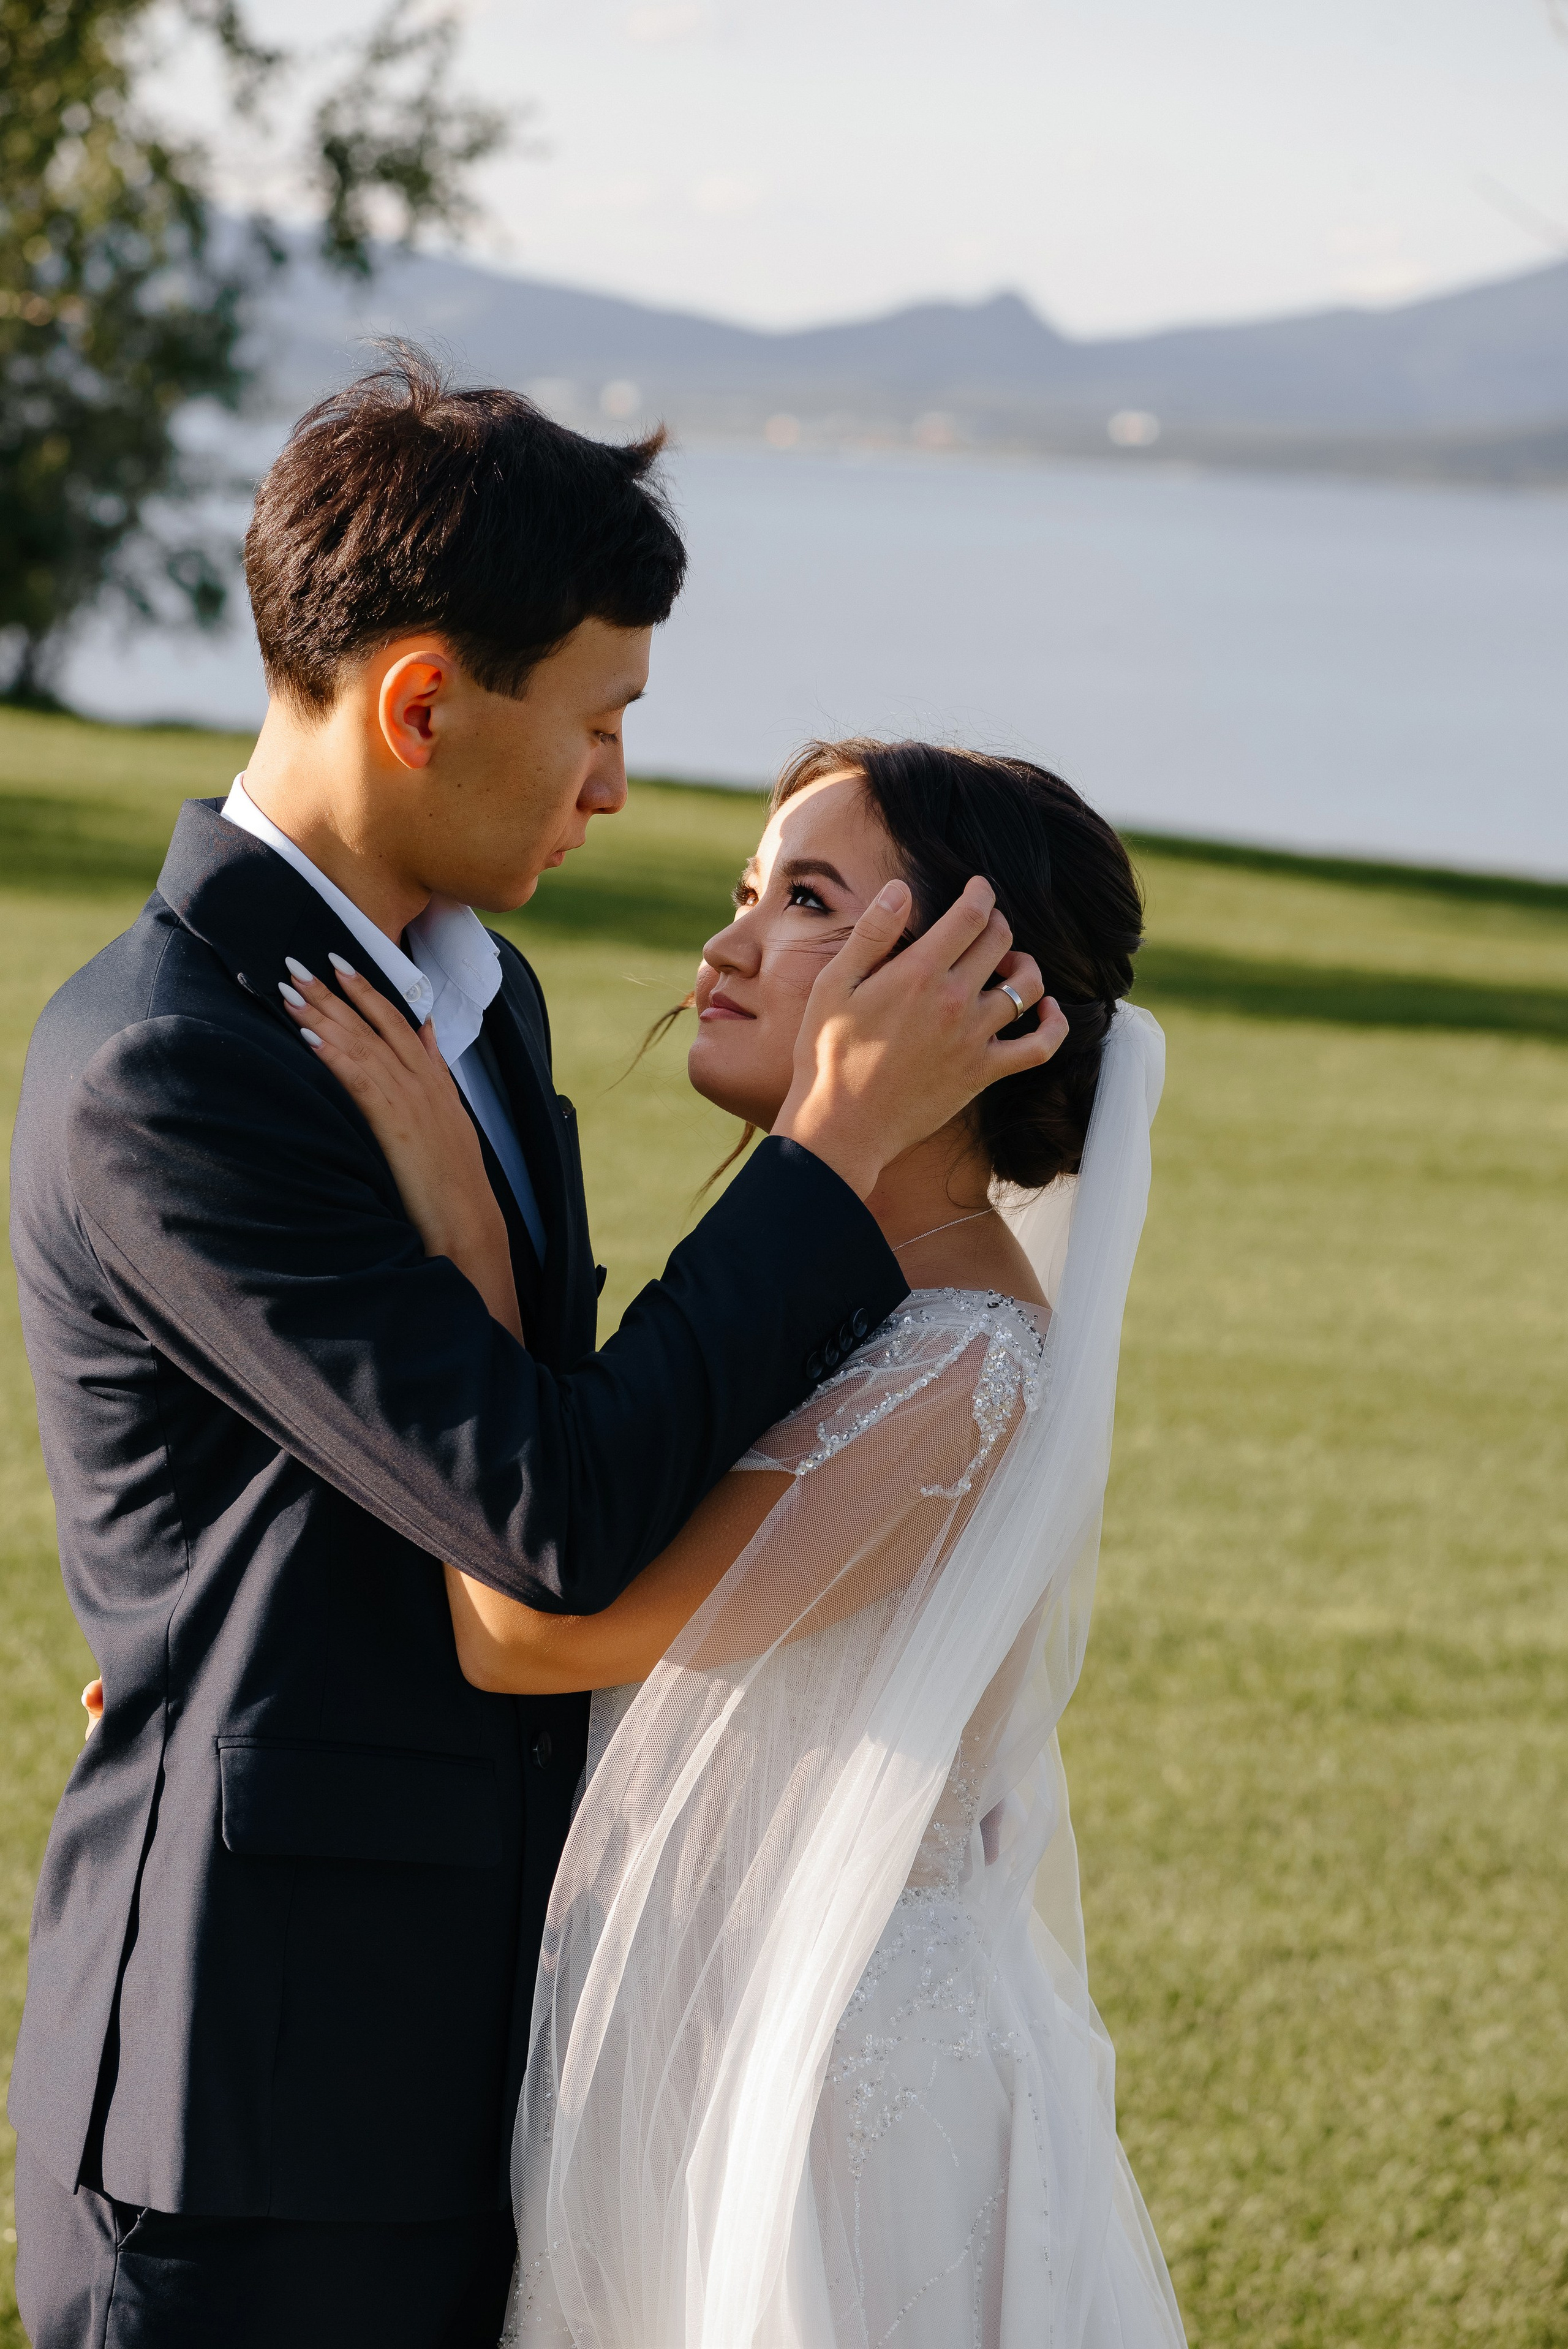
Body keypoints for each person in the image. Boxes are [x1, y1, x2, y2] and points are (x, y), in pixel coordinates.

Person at [7, 356, 1062, 2349]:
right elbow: (554, 1510)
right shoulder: (178, 1072)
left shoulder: (482, 1015)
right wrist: (832, 1144)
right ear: (422, 702)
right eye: (599, 723)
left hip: (499, 2070)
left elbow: (582, 1452)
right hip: (255, 2120)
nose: (613, 788)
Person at [283, 738, 1187, 2347]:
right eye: (748, 892)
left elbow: (533, 1628)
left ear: (963, 983)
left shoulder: (963, 1366)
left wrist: (468, 1255)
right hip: (713, 2045)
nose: (729, 945)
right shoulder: (839, 1299)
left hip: (833, 2119)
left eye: (808, 899)